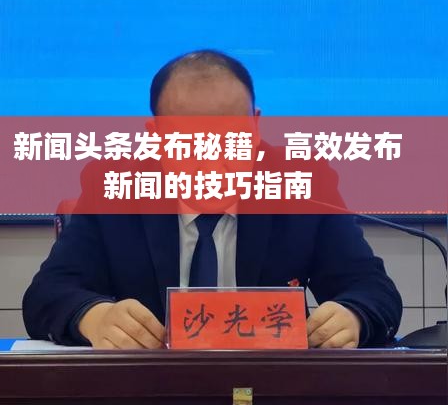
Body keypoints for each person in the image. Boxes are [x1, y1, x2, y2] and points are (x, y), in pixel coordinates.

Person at [22, 50, 402, 349]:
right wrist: (94, 317)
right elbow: (46, 295)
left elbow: (374, 290)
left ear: (255, 126)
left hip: (268, 387)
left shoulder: (302, 185)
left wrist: (354, 315)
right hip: (150, 388)